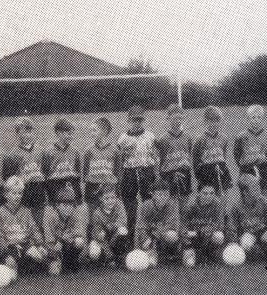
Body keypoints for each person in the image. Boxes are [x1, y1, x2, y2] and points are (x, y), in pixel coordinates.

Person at [117, 105, 158, 246]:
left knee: (150, 205)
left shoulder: (150, 136)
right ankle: (129, 244)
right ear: (129, 120)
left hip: (147, 171)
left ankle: (150, 242)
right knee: (130, 209)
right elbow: (119, 160)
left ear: (144, 120)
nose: (137, 123)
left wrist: (156, 174)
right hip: (129, 173)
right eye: (134, 120)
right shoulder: (122, 139)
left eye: (140, 120)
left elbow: (155, 156)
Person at [0, 176, 47, 274]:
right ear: (6, 195)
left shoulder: (26, 211)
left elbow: (34, 230)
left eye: (20, 193)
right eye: (14, 193)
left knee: (40, 256)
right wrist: (6, 255)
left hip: (24, 246)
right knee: (11, 273)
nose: (17, 196)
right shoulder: (0, 212)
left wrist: (40, 245)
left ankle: (26, 264)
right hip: (8, 248)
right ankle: (13, 265)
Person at [2, 117, 47, 231]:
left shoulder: (41, 151)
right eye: (24, 132)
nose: (28, 135)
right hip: (22, 195)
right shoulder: (12, 155)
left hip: (39, 194)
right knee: (24, 227)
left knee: (39, 225)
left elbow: (46, 173)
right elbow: (8, 178)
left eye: (30, 131)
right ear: (17, 133)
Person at [225, 174, 267, 259]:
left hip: (263, 231)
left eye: (258, 187)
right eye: (255, 188)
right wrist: (234, 242)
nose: (259, 190)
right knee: (246, 244)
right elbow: (231, 226)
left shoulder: (264, 202)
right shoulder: (237, 207)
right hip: (247, 234)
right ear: (245, 192)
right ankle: (254, 251)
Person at [42, 184, 89, 275]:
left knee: (79, 241)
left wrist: (63, 239)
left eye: (70, 204)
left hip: (67, 244)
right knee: (54, 272)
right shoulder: (50, 215)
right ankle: (57, 262)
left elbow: (80, 232)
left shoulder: (77, 213)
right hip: (54, 247)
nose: (67, 208)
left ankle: (71, 260)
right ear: (57, 205)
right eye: (64, 204)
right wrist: (55, 253)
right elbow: (49, 239)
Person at [155, 103, 194, 210]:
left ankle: (182, 226)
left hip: (184, 173)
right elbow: (160, 159)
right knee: (170, 205)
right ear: (168, 118)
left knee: (184, 204)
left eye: (180, 118)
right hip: (169, 175)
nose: (178, 121)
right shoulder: (163, 139)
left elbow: (190, 155)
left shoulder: (188, 137)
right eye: (175, 118)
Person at [135, 178, 180, 266]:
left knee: (172, 235)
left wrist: (153, 237)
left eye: (166, 194)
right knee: (152, 263)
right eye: (159, 194)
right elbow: (140, 226)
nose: (163, 197)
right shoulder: (146, 205)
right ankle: (151, 252)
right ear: (153, 195)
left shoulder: (172, 205)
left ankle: (170, 254)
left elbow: (172, 225)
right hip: (149, 237)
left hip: (160, 236)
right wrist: (145, 239)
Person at [233, 105, 267, 198]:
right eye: (253, 117)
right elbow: (237, 155)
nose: (256, 120)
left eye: (259, 117)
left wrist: (263, 163)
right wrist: (245, 165)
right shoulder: (241, 137)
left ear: (262, 118)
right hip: (246, 171)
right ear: (248, 118)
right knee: (247, 198)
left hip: (263, 171)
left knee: (264, 198)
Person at [82, 117, 120, 214]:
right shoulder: (88, 151)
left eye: (94, 130)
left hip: (109, 189)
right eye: (91, 131)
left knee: (108, 217)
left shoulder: (115, 151)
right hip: (92, 189)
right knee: (92, 218)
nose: (91, 133)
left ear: (104, 131)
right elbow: (85, 173)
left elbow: (117, 173)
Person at [192, 106, 232, 198]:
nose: (214, 124)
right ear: (205, 121)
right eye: (211, 121)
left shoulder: (224, 138)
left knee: (223, 197)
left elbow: (224, 156)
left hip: (221, 170)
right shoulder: (200, 140)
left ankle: (222, 212)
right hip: (206, 172)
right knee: (207, 200)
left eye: (217, 121)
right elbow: (195, 160)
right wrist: (199, 176)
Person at [180, 185, 225, 266]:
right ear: (198, 193)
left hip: (206, 236)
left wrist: (202, 231)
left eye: (212, 193)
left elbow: (220, 225)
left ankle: (209, 254)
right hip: (192, 238)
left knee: (219, 236)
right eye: (205, 193)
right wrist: (187, 242)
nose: (209, 196)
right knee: (189, 264)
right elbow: (183, 226)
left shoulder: (217, 204)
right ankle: (193, 253)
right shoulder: (190, 206)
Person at [42, 118, 82, 205]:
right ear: (59, 133)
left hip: (71, 190)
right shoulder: (48, 152)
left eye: (72, 134)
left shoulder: (75, 152)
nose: (71, 136)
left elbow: (77, 174)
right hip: (55, 189)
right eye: (69, 134)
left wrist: (78, 197)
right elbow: (45, 175)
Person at [86, 184, 129, 266]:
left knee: (123, 230)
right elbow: (98, 235)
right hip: (103, 241)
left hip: (114, 237)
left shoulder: (119, 205)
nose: (110, 201)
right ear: (101, 199)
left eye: (113, 198)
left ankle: (120, 256)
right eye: (107, 198)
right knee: (94, 253)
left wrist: (111, 227)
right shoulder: (97, 213)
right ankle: (105, 258)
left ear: (116, 197)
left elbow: (123, 221)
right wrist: (109, 256)